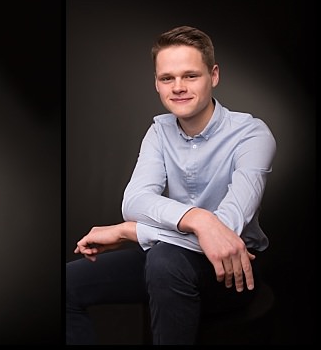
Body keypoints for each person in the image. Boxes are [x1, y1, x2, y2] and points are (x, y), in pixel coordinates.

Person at [65, 25, 276, 344]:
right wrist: (199, 219)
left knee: (165, 261)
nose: (178, 87)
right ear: (157, 83)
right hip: (168, 255)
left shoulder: (252, 135)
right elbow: (134, 202)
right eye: (167, 78)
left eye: (190, 75)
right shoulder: (159, 132)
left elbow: (225, 232)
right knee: (66, 284)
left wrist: (127, 231)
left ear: (213, 76)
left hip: (232, 271)